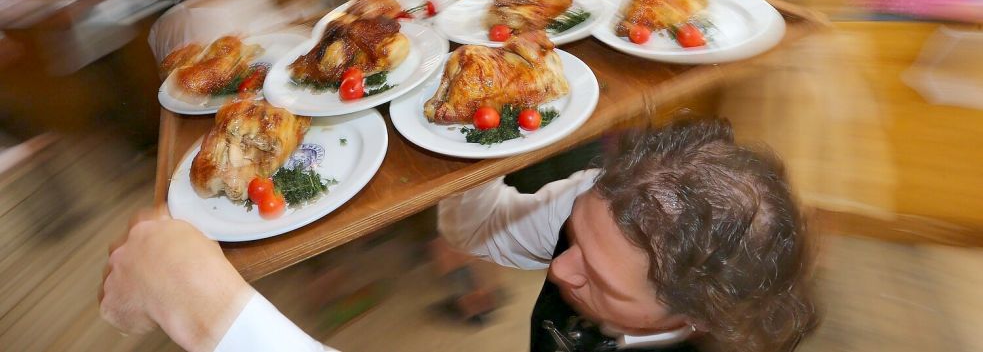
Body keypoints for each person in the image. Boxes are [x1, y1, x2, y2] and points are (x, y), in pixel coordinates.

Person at [99, 119, 818, 351]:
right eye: (575, 236)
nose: (561, 270)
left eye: (597, 278)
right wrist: (450, 146)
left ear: (691, 317)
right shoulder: (606, 209)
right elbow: (478, 230)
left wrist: (203, 303)